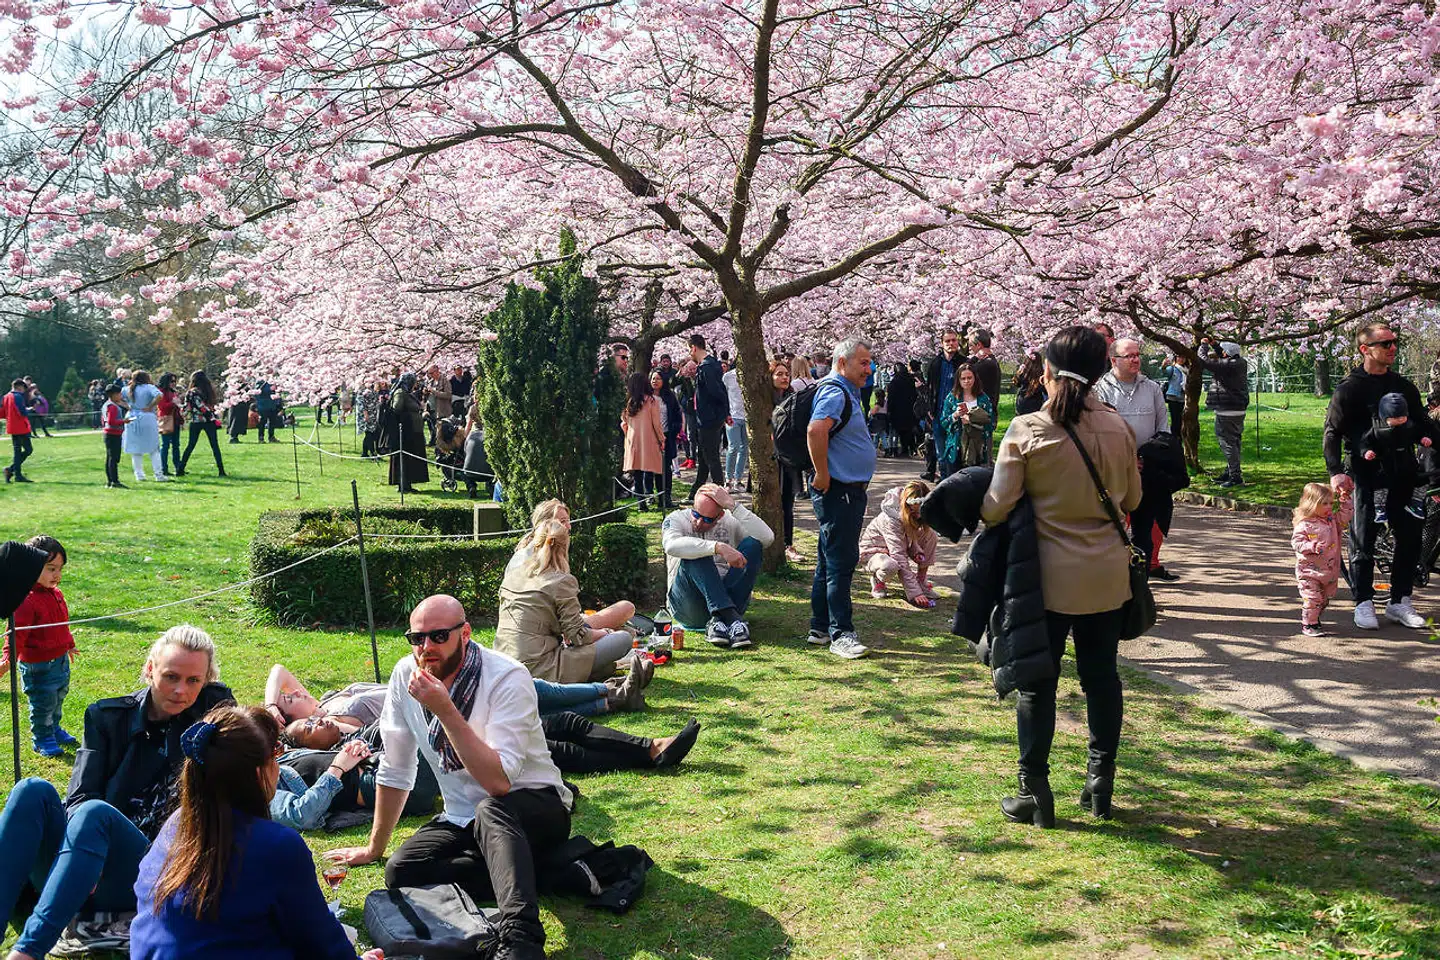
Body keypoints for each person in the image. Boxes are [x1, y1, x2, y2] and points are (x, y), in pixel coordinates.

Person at [324, 594, 574, 960]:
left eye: (439, 636)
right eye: (417, 638)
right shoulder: (404, 677)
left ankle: (521, 941)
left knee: (492, 809)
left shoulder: (506, 677)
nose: (426, 648)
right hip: (462, 817)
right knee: (401, 872)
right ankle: (530, 871)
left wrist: (445, 709)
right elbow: (396, 767)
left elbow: (499, 783)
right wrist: (375, 847)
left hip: (535, 805)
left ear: (466, 633)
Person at [982, 325, 1141, 827]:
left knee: (1037, 685)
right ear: (1100, 373)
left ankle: (1035, 790)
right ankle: (1101, 780)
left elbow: (994, 508)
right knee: (1102, 678)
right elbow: (1133, 500)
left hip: (1044, 580)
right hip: (1106, 576)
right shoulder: (1118, 427)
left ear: (1046, 370)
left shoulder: (1029, 429)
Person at [0, 626, 232, 960]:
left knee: (97, 814)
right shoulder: (108, 717)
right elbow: (80, 796)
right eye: (170, 676)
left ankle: (26, 953)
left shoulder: (213, 714)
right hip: (87, 859)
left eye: (194, 680)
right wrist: (85, 856)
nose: (181, 690)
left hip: (151, 868)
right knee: (31, 790)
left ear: (206, 680)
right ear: (150, 668)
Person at [129, 704, 384, 960]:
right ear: (259, 772)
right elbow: (321, 941)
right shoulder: (276, 845)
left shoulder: (177, 825)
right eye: (276, 753)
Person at [1324, 322, 1440, 630]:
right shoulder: (1349, 388)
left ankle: (1399, 601)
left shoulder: (1403, 386)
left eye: (1394, 342)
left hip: (1404, 472)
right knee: (1364, 537)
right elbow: (1332, 432)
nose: (1392, 348)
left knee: (1410, 538)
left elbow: (1425, 425)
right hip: (1365, 474)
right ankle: (1363, 601)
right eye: (1385, 343)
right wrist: (1336, 472)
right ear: (1365, 349)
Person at [807, 338, 878, 660]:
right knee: (841, 562)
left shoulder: (845, 391)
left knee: (829, 558)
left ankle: (820, 627)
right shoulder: (835, 391)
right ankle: (841, 633)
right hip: (840, 491)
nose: (869, 368)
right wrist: (822, 473)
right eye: (862, 363)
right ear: (841, 363)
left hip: (847, 490)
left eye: (870, 362)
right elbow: (816, 430)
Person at [495, 520, 636, 682]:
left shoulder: (514, 575)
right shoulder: (561, 581)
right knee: (623, 638)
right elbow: (577, 636)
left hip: (505, 662)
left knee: (605, 662)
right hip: (540, 667)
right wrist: (606, 632)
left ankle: (596, 672)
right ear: (565, 547)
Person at [1094, 338, 1172, 576]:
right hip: (1114, 471)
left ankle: (1141, 585)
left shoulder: (1152, 388)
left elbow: (1163, 429)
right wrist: (1125, 460)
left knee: (1144, 532)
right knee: (1112, 529)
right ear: (1114, 360)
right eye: (1129, 356)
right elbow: (1096, 432)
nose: (1135, 359)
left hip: (1146, 470)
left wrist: (1148, 457)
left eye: (1137, 354)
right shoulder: (1099, 390)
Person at [662, 482, 774, 648]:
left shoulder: (730, 520)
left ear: (720, 515)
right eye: (696, 514)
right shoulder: (676, 518)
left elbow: (767, 537)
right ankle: (733, 619)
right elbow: (671, 545)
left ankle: (721, 619)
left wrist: (733, 505)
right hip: (690, 605)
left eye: (707, 519)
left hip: (730, 594)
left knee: (753, 545)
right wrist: (717, 547)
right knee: (696, 551)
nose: (699, 523)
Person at [0, 536, 76, 756]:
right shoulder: (25, 600)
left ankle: (54, 728)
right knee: (43, 702)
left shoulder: (56, 594)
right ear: (32, 567)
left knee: (59, 696)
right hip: (38, 666)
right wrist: (8, 658)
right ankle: (42, 738)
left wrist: (69, 644)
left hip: (59, 660)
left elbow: (62, 622)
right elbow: (16, 635)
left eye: (60, 569)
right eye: (51, 569)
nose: (57, 575)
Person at [859, 480, 938, 608]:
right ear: (907, 505)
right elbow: (898, 554)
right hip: (874, 551)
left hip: (895, 546)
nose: (918, 516)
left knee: (930, 536)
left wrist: (916, 550)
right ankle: (878, 579)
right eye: (914, 512)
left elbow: (907, 538)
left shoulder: (913, 514)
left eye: (921, 511)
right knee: (890, 565)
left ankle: (921, 580)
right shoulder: (891, 519)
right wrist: (914, 593)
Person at [1291, 482, 1355, 637]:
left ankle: (1314, 617)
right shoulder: (1304, 524)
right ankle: (1309, 624)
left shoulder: (1332, 520)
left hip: (1329, 571)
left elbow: (1346, 516)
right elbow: (1296, 542)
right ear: (1312, 504)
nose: (1329, 507)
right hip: (1309, 571)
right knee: (1313, 598)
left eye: (1331, 503)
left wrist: (1345, 501)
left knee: (1323, 600)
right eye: (1324, 503)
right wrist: (1312, 546)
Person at [1358, 392, 1433, 523]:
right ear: (1384, 416)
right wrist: (1366, 451)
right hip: (1385, 461)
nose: (1399, 420)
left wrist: (1423, 439)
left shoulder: (1409, 425)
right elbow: (1364, 441)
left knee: (1421, 478)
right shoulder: (1376, 427)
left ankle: (1416, 502)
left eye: (1402, 417)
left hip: (1406, 459)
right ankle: (1380, 508)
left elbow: (1417, 433)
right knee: (1380, 481)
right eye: (1395, 417)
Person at [1195, 339, 1249, 487]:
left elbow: (1204, 361)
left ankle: (1235, 476)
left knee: (1227, 442)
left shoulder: (1227, 366)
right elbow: (1223, 355)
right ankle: (1230, 471)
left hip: (1227, 409)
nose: (1220, 354)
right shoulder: (1239, 362)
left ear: (1227, 354)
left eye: (1222, 352)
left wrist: (1203, 345)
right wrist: (1215, 344)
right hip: (1237, 408)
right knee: (1234, 441)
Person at [771, 361, 805, 563]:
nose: (784, 377)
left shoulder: (792, 398)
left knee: (787, 504)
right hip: (772, 457)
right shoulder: (766, 401)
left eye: (786, 374)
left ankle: (787, 543)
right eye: (779, 374)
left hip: (789, 458)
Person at [689, 334, 729, 500]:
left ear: (694, 348)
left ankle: (720, 493)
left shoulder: (707, 367)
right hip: (707, 418)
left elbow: (716, 392)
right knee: (704, 456)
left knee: (711, 456)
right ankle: (696, 490)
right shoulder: (710, 365)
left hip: (709, 419)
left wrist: (722, 413)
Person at [940, 364, 994, 474]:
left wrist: (973, 421)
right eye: (963, 378)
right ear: (958, 380)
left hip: (978, 448)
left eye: (969, 378)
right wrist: (955, 415)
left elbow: (991, 423)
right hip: (956, 447)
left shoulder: (983, 399)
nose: (966, 381)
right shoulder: (952, 398)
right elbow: (943, 422)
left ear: (975, 378)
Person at [621, 371, 665, 509]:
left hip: (633, 440)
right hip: (649, 439)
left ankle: (641, 504)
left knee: (638, 472)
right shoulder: (651, 401)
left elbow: (624, 423)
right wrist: (661, 439)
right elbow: (656, 423)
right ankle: (655, 498)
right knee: (650, 470)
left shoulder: (629, 402)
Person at [924, 329, 963, 480]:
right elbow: (930, 387)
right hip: (938, 413)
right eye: (947, 341)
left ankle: (955, 482)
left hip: (957, 414)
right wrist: (930, 408)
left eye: (953, 340)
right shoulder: (935, 363)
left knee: (955, 452)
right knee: (941, 453)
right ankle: (945, 482)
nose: (951, 344)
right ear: (942, 344)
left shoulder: (963, 362)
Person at [177, 371, 225, 478]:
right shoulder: (209, 391)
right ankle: (221, 470)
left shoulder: (192, 392)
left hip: (196, 421)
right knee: (215, 446)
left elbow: (190, 407)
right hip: (209, 421)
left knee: (190, 445)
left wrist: (180, 408)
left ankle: (180, 468)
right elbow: (208, 406)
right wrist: (212, 417)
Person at [123, 370, 168, 482]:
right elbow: (159, 395)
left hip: (132, 416)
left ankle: (139, 475)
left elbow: (118, 398)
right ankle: (158, 474)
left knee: (136, 449)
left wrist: (128, 406)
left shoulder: (126, 389)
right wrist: (150, 406)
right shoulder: (148, 387)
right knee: (154, 448)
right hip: (147, 416)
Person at [387, 373, 428, 492]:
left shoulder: (408, 394)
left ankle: (408, 484)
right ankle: (403, 485)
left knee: (411, 459)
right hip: (407, 432)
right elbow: (397, 408)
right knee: (405, 458)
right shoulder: (400, 393)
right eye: (413, 381)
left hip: (414, 431)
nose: (415, 384)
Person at [653, 370, 682, 510]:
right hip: (651, 438)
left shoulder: (669, 396)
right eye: (653, 378)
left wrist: (674, 430)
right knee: (654, 470)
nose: (655, 381)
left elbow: (677, 414)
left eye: (658, 378)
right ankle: (655, 497)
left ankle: (666, 497)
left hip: (667, 436)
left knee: (666, 469)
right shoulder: (647, 398)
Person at [722, 358, 748, 491]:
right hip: (733, 416)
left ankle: (738, 479)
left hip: (748, 416)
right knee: (733, 447)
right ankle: (728, 479)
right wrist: (726, 413)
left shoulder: (751, 375)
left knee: (744, 449)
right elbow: (723, 396)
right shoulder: (728, 377)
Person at [3, 376, 34, 483]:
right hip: (21, 427)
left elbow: (2, 413)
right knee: (28, 450)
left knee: (17, 451)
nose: (23, 390)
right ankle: (12, 470)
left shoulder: (6, 397)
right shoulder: (18, 397)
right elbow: (22, 412)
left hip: (11, 427)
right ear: (19, 387)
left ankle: (16, 474)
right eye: (23, 388)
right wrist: (29, 410)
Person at [885, 362, 920, 457]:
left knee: (900, 430)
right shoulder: (910, 380)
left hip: (897, 410)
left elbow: (891, 398)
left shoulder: (894, 382)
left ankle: (903, 449)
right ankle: (909, 448)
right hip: (910, 408)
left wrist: (889, 410)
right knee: (908, 429)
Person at [966, 328, 1002, 417]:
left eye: (970, 345)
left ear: (978, 345)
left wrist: (974, 358)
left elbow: (962, 372)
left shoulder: (985, 364)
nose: (969, 348)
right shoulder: (991, 361)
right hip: (986, 410)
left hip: (981, 413)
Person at [157, 373, 185, 478]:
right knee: (165, 445)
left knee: (176, 445)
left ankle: (178, 467)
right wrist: (173, 403)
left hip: (175, 420)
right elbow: (162, 407)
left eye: (175, 381)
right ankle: (163, 468)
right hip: (166, 420)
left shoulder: (173, 392)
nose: (174, 383)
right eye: (171, 381)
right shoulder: (161, 392)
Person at [101, 382, 128, 488]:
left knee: (109, 457)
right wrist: (123, 421)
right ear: (113, 395)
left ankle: (110, 480)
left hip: (108, 434)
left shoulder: (106, 405)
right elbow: (112, 421)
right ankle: (114, 481)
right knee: (114, 458)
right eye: (119, 394)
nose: (121, 396)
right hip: (113, 434)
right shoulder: (112, 406)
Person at [1013, 351, 1047, 416]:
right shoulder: (1041, 374)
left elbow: (1017, 384)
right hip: (1036, 405)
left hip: (1022, 403)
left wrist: (1019, 372)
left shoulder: (1023, 373)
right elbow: (1045, 390)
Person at [1160, 355, 1186, 434]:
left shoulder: (1186, 369)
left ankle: (1180, 438)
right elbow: (1164, 372)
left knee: (1183, 420)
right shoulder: (1172, 368)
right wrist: (1163, 366)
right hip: (1173, 397)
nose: (1181, 359)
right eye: (1179, 357)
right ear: (1176, 358)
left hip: (1184, 397)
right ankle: (1175, 439)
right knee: (1176, 421)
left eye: (1183, 357)